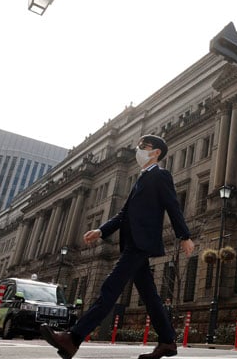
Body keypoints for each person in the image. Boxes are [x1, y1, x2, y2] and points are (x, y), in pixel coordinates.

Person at [40, 135, 195, 359]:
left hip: (141, 243)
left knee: (109, 289)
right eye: (139, 146)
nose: (139, 150)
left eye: (145, 147)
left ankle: (73, 338)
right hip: (133, 243)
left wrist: (184, 236)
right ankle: (168, 342)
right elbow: (124, 214)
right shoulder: (141, 180)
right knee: (150, 296)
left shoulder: (161, 176)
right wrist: (101, 230)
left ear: (156, 152)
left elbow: (173, 205)